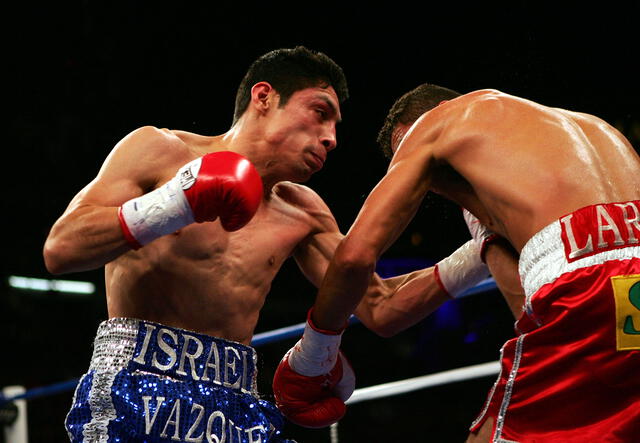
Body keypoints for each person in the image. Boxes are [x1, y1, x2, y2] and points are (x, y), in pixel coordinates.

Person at [43, 47, 492, 442]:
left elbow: (379, 304)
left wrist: (481, 252)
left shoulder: (304, 211)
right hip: (137, 386)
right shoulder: (159, 152)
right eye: (320, 112)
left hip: (236, 405)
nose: (331, 138)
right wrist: (174, 202)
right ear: (263, 98)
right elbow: (60, 249)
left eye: (335, 127)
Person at [273, 84, 640, 442]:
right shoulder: (592, 129)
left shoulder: (440, 124)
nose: (429, 185)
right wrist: (482, 244)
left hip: (583, 287)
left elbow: (353, 258)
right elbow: (528, 309)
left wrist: (312, 356)